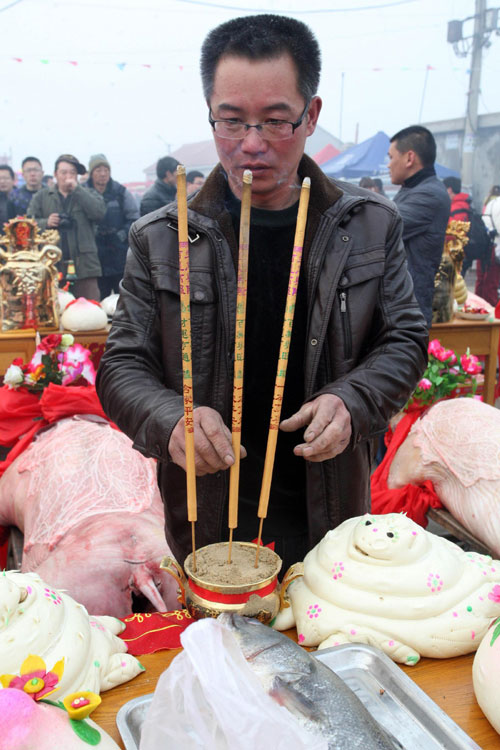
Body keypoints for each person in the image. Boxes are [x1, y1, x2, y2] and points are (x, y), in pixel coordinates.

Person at [97, 14, 427, 572]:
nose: (251, 146)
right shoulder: (162, 235)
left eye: (275, 122)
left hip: (330, 508)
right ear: (211, 115)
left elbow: (405, 339)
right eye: (230, 122)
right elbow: (122, 363)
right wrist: (169, 419)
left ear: (311, 116)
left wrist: (353, 400)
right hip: (206, 511)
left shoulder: (369, 224)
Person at [388, 125, 450, 327]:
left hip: (407, 312)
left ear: (409, 158)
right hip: (395, 304)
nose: (388, 165)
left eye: (391, 157)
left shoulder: (430, 194)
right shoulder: (412, 189)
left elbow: (385, 224)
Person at [28, 154, 106, 300]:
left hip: (85, 265)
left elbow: (99, 213)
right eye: (64, 172)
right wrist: (46, 222)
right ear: (55, 174)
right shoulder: (42, 196)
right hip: (52, 265)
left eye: (72, 172)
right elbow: (28, 225)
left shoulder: (88, 193)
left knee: (89, 312)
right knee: (55, 311)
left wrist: (77, 190)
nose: (68, 176)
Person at [86, 154, 139, 298]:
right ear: (91, 173)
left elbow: (134, 218)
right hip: (94, 254)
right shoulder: (83, 192)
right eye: (98, 170)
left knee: (123, 296)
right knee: (97, 297)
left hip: (118, 252)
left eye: (106, 170)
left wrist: (121, 235)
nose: (103, 174)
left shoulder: (121, 192)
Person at [476, 185, 500, 306]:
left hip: (486, 246)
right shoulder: (498, 204)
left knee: (482, 280)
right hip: (495, 248)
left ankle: (478, 307)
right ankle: (490, 312)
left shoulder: (491, 203)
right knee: (491, 282)